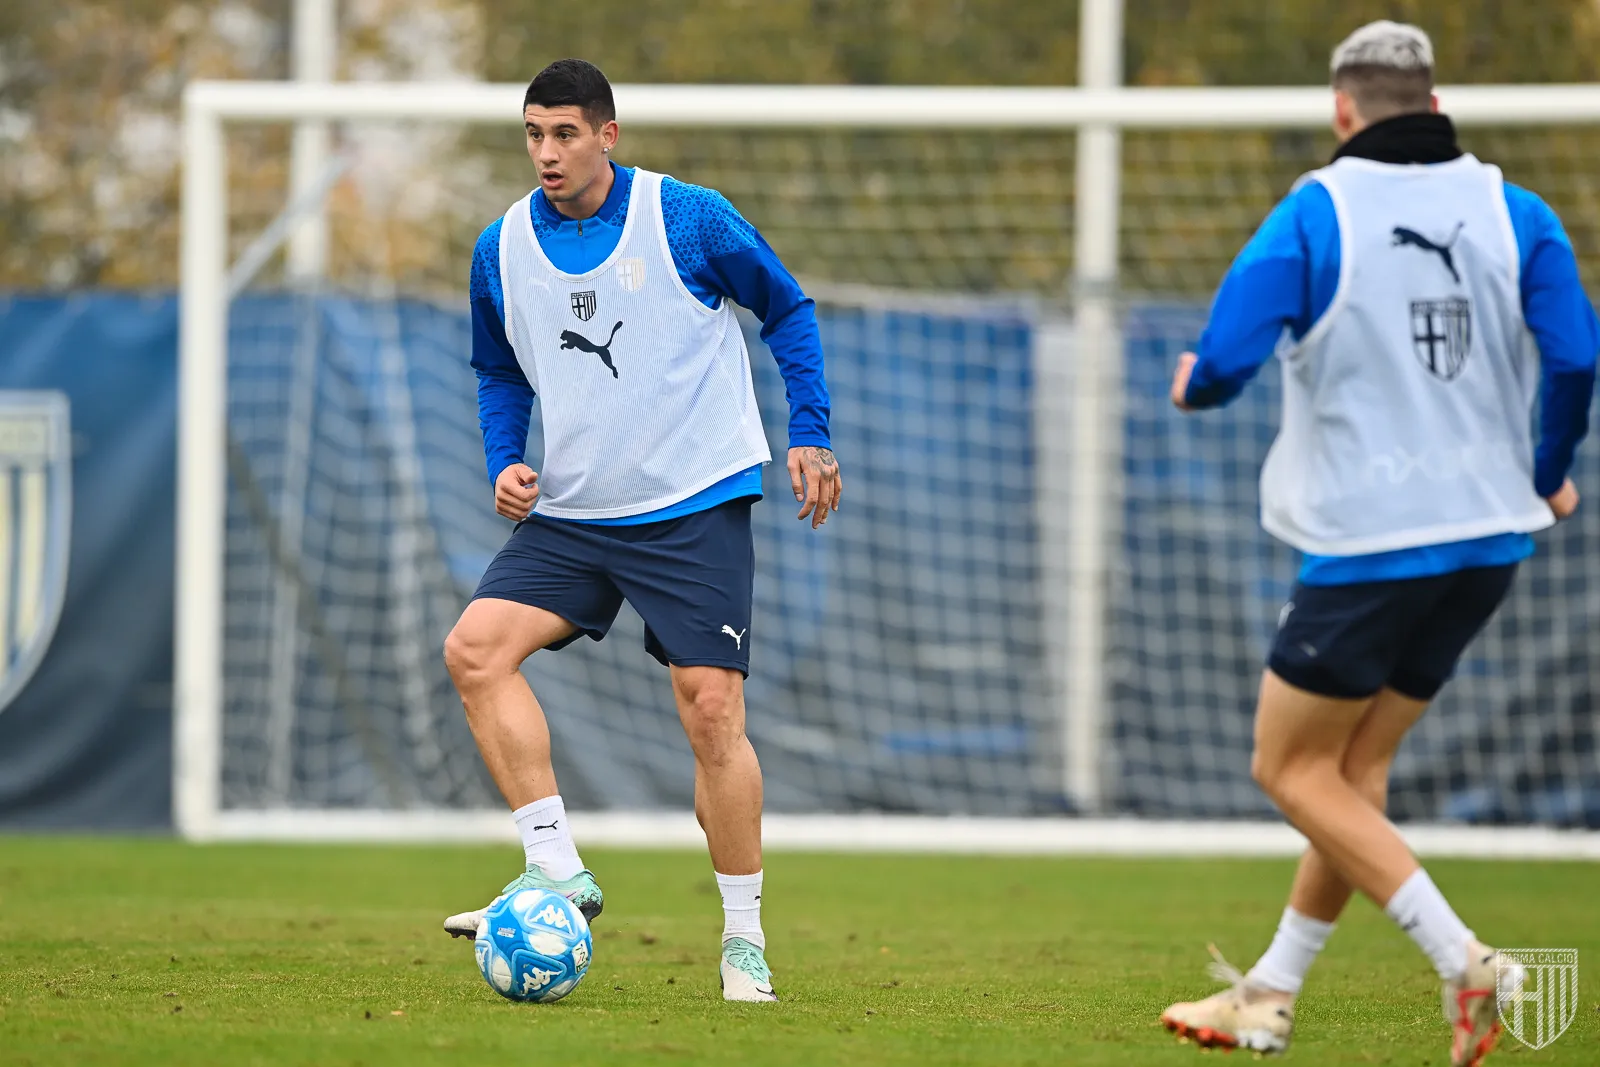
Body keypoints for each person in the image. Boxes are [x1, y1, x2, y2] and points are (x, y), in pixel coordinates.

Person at [1158, 20, 1595, 1066]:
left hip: (1370, 544)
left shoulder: (1317, 211)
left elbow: (1224, 358)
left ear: (1341, 110)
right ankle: (1268, 994)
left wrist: (1194, 386)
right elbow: (1577, 355)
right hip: (1487, 543)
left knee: (1286, 765)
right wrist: (1543, 470)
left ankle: (1464, 958)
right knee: (1353, 770)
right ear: (1435, 105)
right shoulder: (1517, 211)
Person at [440, 58, 842, 1003]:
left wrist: (812, 431)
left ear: (606, 135)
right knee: (474, 652)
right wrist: (505, 459)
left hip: (692, 502)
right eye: (533, 134)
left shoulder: (688, 217)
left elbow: (787, 307)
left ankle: (744, 940)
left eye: (565, 133)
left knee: (711, 711)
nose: (547, 152)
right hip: (575, 513)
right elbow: (498, 369)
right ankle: (556, 868)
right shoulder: (500, 246)